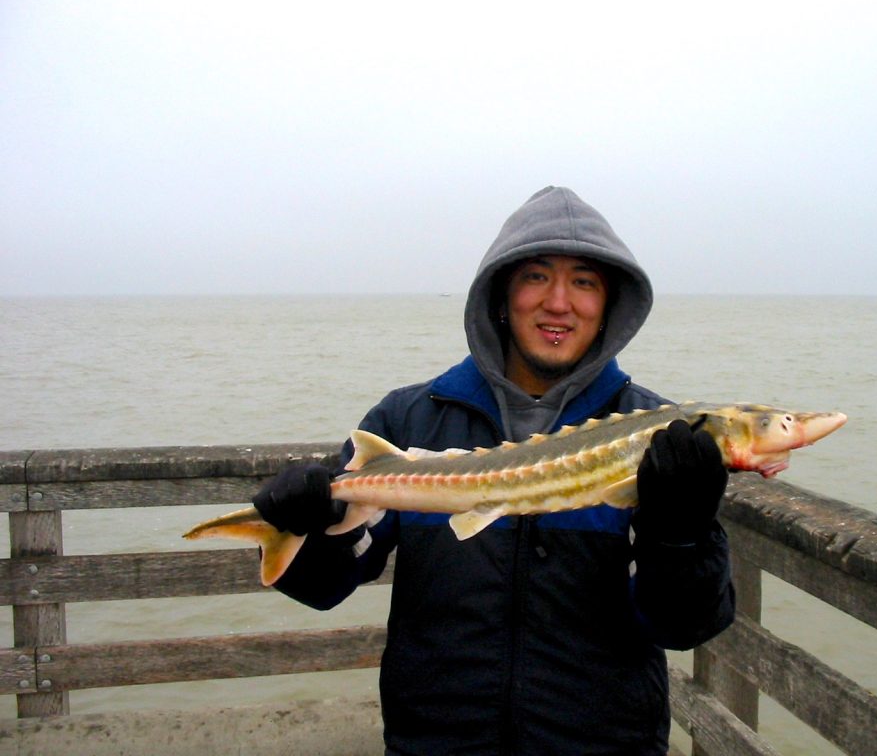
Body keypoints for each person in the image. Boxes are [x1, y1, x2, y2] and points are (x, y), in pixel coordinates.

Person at [253, 186, 735, 755]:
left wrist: (680, 538)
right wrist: (306, 526)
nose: (559, 303)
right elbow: (325, 588)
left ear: (609, 306)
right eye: (535, 277)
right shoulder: (408, 422)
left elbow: (683, 628)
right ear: (502, 297)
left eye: (584, 282)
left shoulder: (655, 436)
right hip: (434, 743)